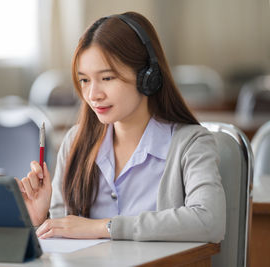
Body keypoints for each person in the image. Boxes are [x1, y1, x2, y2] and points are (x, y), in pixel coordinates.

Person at [16, 11, 226, 242]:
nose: (93, 95)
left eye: (107, 78)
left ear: (148, 76)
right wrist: (41, 219)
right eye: (85, 80)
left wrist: (104, 227)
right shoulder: (76, 142)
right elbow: (64, 232)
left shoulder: (191, 144)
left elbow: (209, 221)